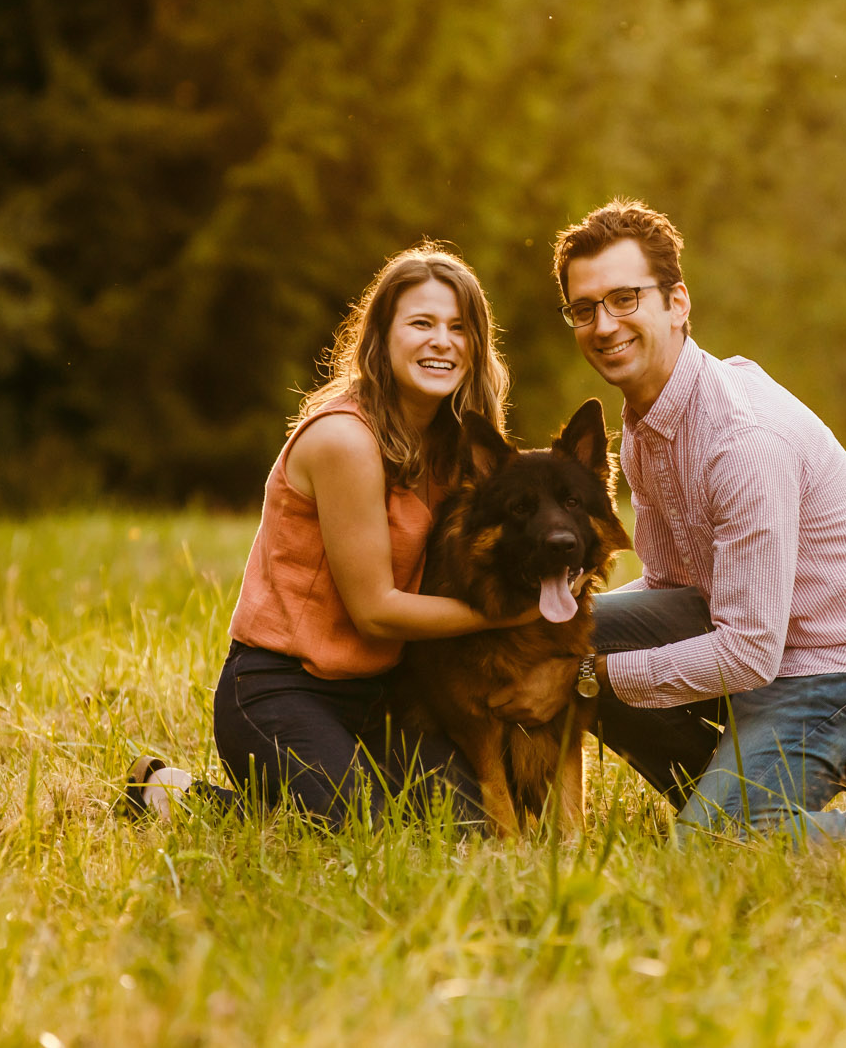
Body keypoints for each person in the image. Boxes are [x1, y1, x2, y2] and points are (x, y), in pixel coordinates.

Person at [492, 200, 846, 843]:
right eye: (584, 309)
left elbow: (750, 651)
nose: (604, 325)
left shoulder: (743, 442)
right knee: (572, 635)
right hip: (763, 637)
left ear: (678, 303)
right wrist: (570, 647)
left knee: (711, 850)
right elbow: (672, 586)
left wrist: (584, 674)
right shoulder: (644, 427)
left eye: (623, 298)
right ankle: (746, 805)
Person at [123, 243, 543, 828]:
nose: (441, 341)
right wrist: (511, 616)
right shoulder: (346, 440)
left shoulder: (455, 448)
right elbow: (375, 613)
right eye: (421, 323)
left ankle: (319, 787)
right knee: (366, 831)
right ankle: (172, 793)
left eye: (458, 327)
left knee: (466, 825)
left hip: (386, 695)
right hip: (281, 690)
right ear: (382, 337)